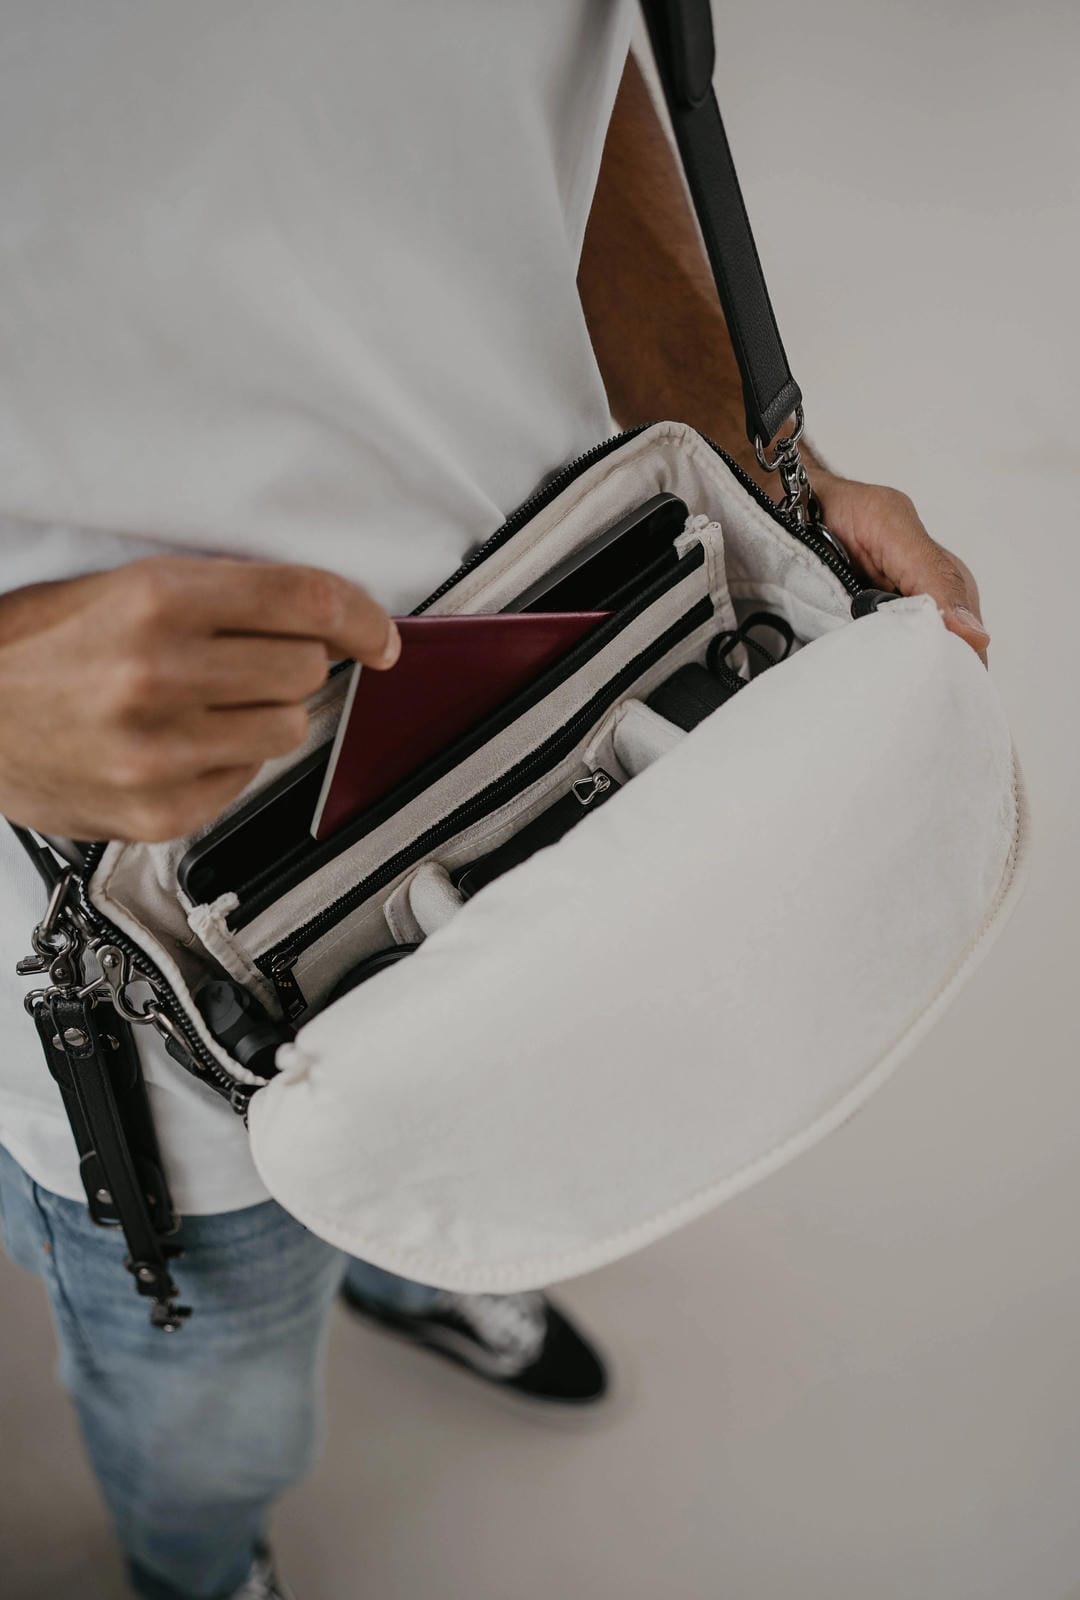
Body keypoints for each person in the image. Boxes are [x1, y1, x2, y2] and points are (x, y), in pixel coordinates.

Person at [0, 6, 990, 1598]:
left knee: (500, 1119)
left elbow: (569, 76)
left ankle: (408, 1252)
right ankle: (194, 1572)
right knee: (220, 1412)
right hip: (137, 898)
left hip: (608, 663)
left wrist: (760, 458)